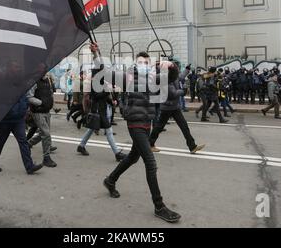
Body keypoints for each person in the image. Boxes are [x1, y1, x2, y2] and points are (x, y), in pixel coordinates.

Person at [90, 43, 181, 223]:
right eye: (140, 62)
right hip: (135, 124)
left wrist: (171, 65)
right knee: (150, 162)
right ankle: (159, 206)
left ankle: (110, 180)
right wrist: (96, 54)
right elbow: (105, 71)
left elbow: (173, 77)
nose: (144, 65)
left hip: (147, 123)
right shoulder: (129, 78)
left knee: (133, 157)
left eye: (147, 62)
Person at [148, 62, 205, 154]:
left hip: (174, 107)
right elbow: (172, 94)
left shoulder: (172, 76)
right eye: (175, 68)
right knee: (159, 127)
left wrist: (187, 69)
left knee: (184, 126)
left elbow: (180, 77)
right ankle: (149, 144)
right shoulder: (165, 79)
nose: (177, 69)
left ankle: (192, 146)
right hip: (167, 107)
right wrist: (183, 91)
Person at [77, 66, 126, 162]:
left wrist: (111, 102)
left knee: (91, 129)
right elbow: (96, 96)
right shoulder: (94, 83)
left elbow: (104, 98)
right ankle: (117, 153)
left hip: (101, 110)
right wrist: (107, 91)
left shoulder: (102, 83)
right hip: (98, 111)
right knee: (109, 131)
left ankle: (81, 146)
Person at [0, 95, 43, 174]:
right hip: (5, 121)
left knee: (23, 141)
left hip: (18, 120)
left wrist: (25, 109)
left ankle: (29, 166)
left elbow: (25, 99)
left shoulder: (21, 86)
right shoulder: (3, 87)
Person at [26, 73, 58, 168]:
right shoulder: (34, 81)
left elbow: (50, 94)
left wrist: (52, 105)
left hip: (47, 111)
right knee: (46, 133)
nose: (46, 72)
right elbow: (29, 97)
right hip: (38, 111)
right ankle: (46, 158)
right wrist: (41, 103)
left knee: (43, 133)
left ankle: (28, 144)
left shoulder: (47, 80)